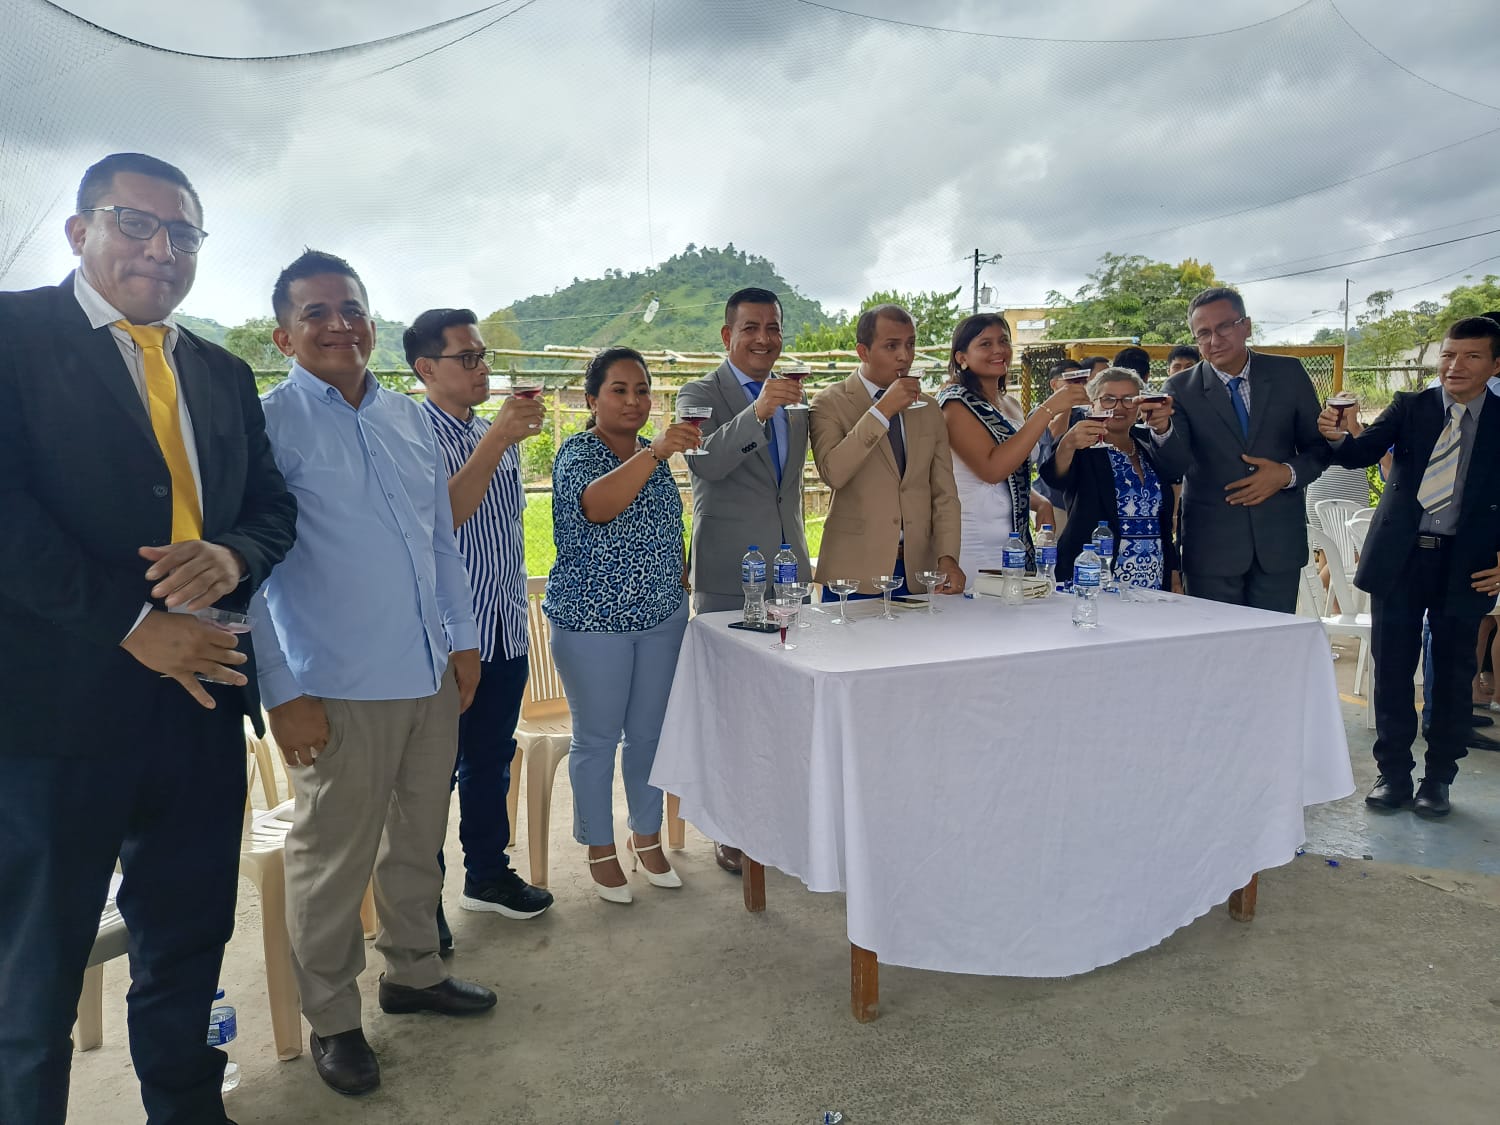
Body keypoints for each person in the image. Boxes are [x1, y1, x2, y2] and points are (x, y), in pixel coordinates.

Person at [0, 152, 296, 1125]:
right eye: (136, 223)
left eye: (184, 234)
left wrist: (231, 553)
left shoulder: (219, 370)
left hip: (200, 703)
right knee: (33, 972)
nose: (162, 250)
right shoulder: (12, 336)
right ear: (78, 230)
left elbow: (272, 508)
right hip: (55, 720)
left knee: (188, 938)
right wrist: (132, 624)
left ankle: (186, 1108)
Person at [254, 251, 494, 1097]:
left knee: (417, 839)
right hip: (336, 685)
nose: (338, 324)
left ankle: (415, 972)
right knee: (331, 861)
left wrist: (462, 639)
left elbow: (438, 541)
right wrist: (281, 690)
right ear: (285, 335)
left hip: (429, 672)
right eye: (316, 312)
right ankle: (332, 1018)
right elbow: (253, 576)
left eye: (351, 308)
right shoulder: (268, 424)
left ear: (371, 321)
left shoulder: (404, 418)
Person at [405, 308, 554, 943]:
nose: (481, 368)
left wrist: (496, 439)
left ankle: (487, 876)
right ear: (425, 368)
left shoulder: (489, 432)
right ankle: (420, 907)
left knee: (491, 760)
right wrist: (496, 440)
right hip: (446, 637)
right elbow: (440, 521)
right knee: (429, 776)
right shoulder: (413, 433)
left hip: (504, 624)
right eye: (466, 357)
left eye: (483, 355)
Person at [1317, 316, 1500, 817]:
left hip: (1468, 564)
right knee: (1393, 668)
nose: (1455, 365)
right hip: (1400, 558)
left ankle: (1439, 778)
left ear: (1495, 365)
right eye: (1448, 355)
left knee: (1454, 673)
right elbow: (1359, 454)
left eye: (1471, 356)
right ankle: (1393, 773)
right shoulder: (1410, 406)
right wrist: (1337, 435)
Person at [543, 347, 696, 903]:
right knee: (598, 739)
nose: (634, 401)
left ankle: (646, 836)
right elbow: (599, 506)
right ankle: (599, 846)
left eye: (642, 390)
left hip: (661, 619)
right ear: (592, 400)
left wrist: (680, 576)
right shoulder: (580, 453)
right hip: (593, 625)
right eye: (619, 390)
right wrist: (655, 453)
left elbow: (666, 527)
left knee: (650, 736)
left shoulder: (650, 456)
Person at [676, 286, 808, 875]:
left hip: (790, 573)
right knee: (730, 709)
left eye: (772, 328)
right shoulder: (700, 393)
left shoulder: (796, 398)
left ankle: (781, 814)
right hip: (730, 573)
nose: (763, 338)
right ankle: (729, 827)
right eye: (750, 328)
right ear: (727, 336)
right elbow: (704, 461)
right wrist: (756, 413)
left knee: (786, 701)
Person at [1149, 286, 1328, 612]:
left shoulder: (1288, 374)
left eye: (1223, 327)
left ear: (1246, 326)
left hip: (1277, 545)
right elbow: (1174, 466)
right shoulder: (1180, 388)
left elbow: (1319, 449)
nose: (1214, 340)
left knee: (1273, 639)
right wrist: (1161, 430)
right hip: (1212, 550)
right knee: (1216, 641)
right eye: (1203, 334)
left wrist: (1285, 474)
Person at [810, 304, 965, 596]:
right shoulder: (828, 402)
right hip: (853, 574)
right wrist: (882, 411)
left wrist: (948, 557)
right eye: (891, 346)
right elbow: (834, 473)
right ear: (863, 352)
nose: (904, 356)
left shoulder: (929, 408)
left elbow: (944, 492)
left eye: (910, 344)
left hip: (918, 572)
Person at [937, 315, 1086, 578]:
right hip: (973, 538)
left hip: (1014, 537)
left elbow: (1013, 473)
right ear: (962, 357)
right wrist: (1048, 409)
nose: (998, 350)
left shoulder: (1010, 404)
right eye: (985, 344)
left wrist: (1040, 503)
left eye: (1003, 341)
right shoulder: (956, 405)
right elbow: (992, 470)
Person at [1038, 367, 1180, 590]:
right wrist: (1068, 444)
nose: (1118, 407)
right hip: (1096, 578)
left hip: (1152, 576)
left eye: (1129, 400)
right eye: (1108, 399)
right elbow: (1054, 477)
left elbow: (1163, 518)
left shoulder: (1148, 448)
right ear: (1092, 405)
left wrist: (1173, 571)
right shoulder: (1083, 448)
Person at [1031, 357, 1089, 534]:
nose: (1077, 386)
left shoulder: (1084, 413)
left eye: (1081, 381)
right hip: (1052, 500)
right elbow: (1055, 435)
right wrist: (1067, 405)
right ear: (1054, 384)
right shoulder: (1040, 413)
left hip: (1079, 500)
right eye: (1071, 381)